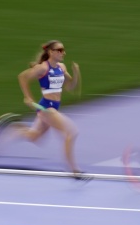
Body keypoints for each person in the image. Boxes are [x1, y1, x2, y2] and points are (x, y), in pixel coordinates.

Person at [15, 40, 90, 180]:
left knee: (34, 138)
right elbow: (22, 77)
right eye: (60, 50)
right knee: (71, 132)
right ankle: (74, 170)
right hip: (46, 108)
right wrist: (28, 97)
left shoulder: (61, 67)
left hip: (53, 107)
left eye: (63, 50)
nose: (63, 53)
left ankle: (16, 129)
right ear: (51, 52)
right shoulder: (43, 68)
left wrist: (76, 73)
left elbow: (70, 87)